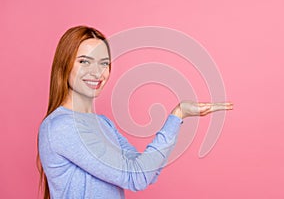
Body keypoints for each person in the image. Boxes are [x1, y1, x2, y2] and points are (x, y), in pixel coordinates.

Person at [37, 25, 233, 199]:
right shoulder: (62, 127)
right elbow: (137, 177)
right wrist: (177, 116)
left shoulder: (104, 124)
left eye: (104, 63)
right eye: (84, 62)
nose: (97, 72)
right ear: (64, 65)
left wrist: (179, 115)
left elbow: (148, 171)